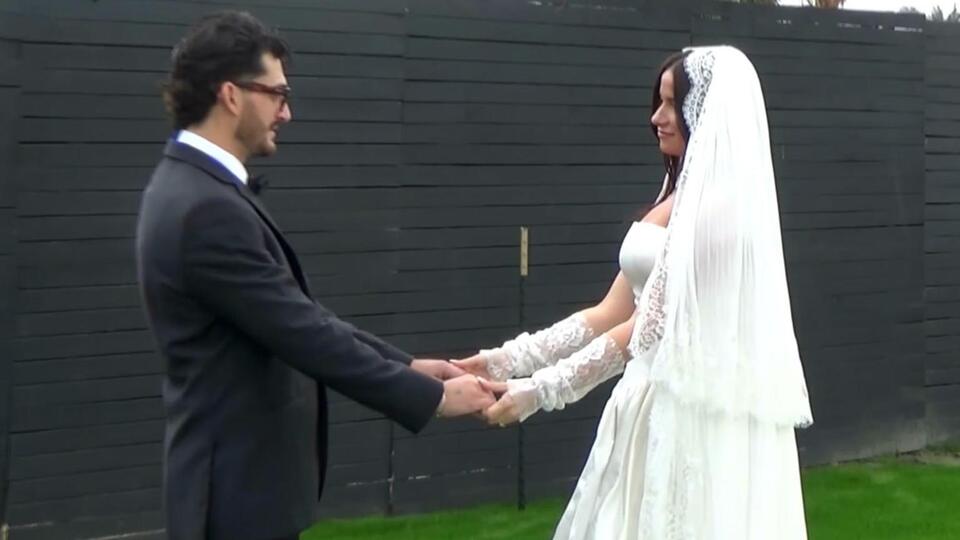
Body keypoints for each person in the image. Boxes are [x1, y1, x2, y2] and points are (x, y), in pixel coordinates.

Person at [135, 11, 494, 540]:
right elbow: (302, 334)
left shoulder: (196, 189)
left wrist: (409, 366)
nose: (286, 111)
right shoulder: (204, 207)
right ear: (231, 94)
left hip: (239, 494)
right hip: (233, 501)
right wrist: (432, 398)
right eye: (277, 94)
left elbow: (296, 314)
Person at [456, 45, 813, 539]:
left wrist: (541, 391)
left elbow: (649, 326)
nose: (656, 118)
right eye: (658, 102)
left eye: (672, 104)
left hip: (685, 418)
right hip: (642, 402)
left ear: (705, 111)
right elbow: (609, 311)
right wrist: (503, 361)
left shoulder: (720, 211)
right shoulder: (676, 193)